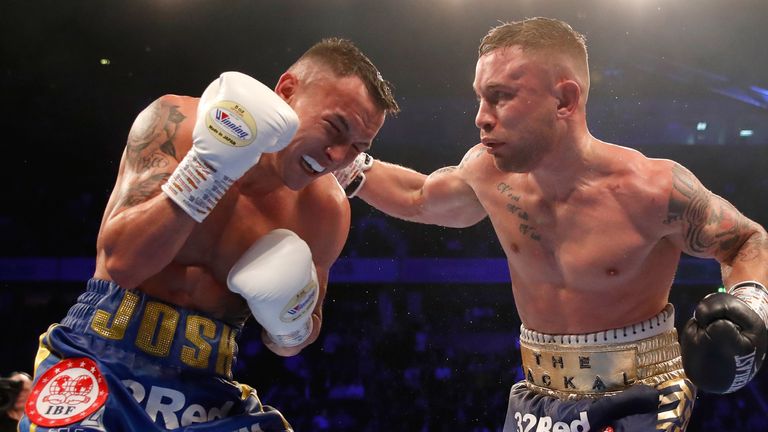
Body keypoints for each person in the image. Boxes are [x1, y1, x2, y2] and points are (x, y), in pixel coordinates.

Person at [333, 17, 767, 431]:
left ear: (565, 100)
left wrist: (749, 308)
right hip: (537, 398)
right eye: (480, 97)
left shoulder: (653, 188)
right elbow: (421, 197)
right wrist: (344, 163)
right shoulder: (487, 171)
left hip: (640, 394)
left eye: (501, 96)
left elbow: (747, 239)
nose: (481, 116)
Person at [20, 38, 399, 432]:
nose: (338, 157)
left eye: (357, 147)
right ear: (286, 91)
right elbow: (120, 265)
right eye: (334, 128)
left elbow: (291, 342)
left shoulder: (326, 211)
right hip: (99, 360)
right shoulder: (176, 124)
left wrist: (292, 320)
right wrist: (208, 169)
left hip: (208, 388)